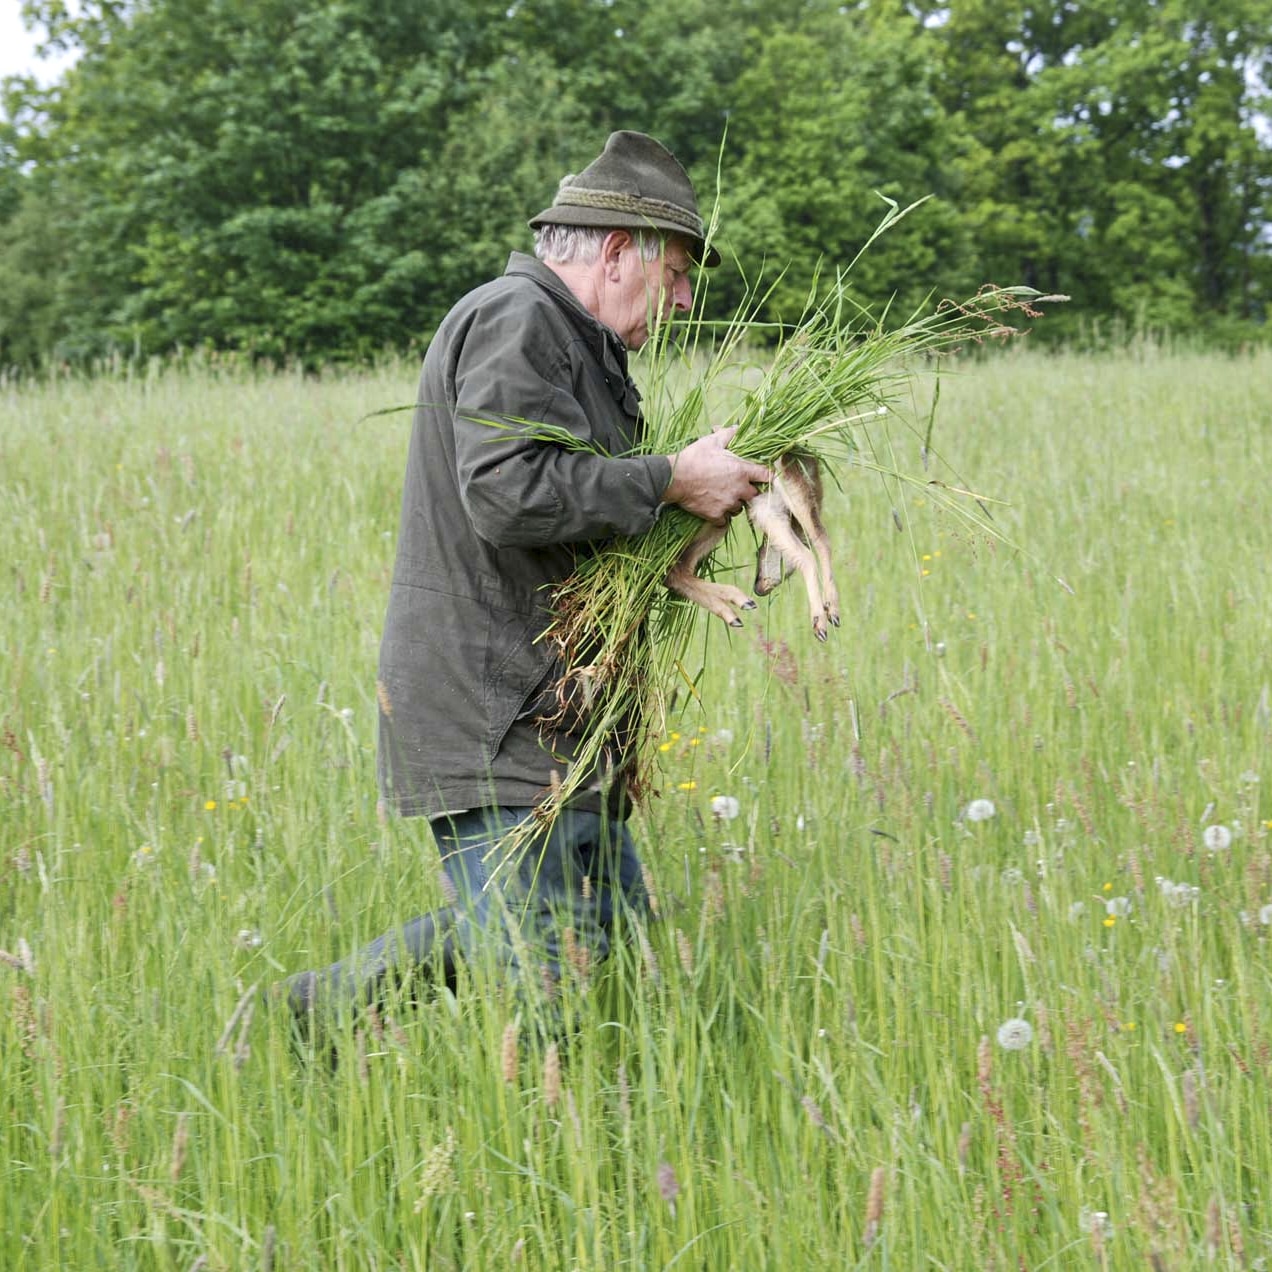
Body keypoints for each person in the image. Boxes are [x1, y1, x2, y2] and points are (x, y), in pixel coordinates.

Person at [284, 131, 770, 1029]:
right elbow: (508, 494)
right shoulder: (520, 318)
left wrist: (679, 537)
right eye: (677, 273)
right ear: (619, 253)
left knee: (601, 943)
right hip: (494, 707)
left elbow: (561, 517)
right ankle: (318, 1021)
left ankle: (314, 1016)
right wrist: (666, 476)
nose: (687, 297)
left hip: (552, 708)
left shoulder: (576, 343)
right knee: (557, 991)